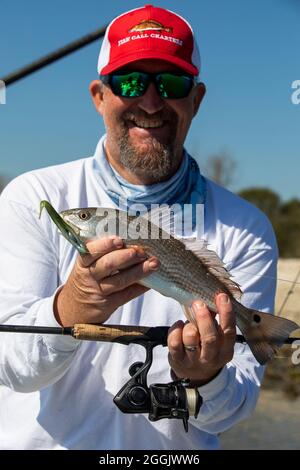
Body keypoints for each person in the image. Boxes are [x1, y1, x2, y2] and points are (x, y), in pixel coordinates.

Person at [0, 4, 278, 450]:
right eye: (130, 82)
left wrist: (207, 377)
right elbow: (10, 367)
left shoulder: (246, 227)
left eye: (171, 83)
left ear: (197, 99)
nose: (151, 101)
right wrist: (69, 308)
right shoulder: (31, 196)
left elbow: (236, 408)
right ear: (99, 95)